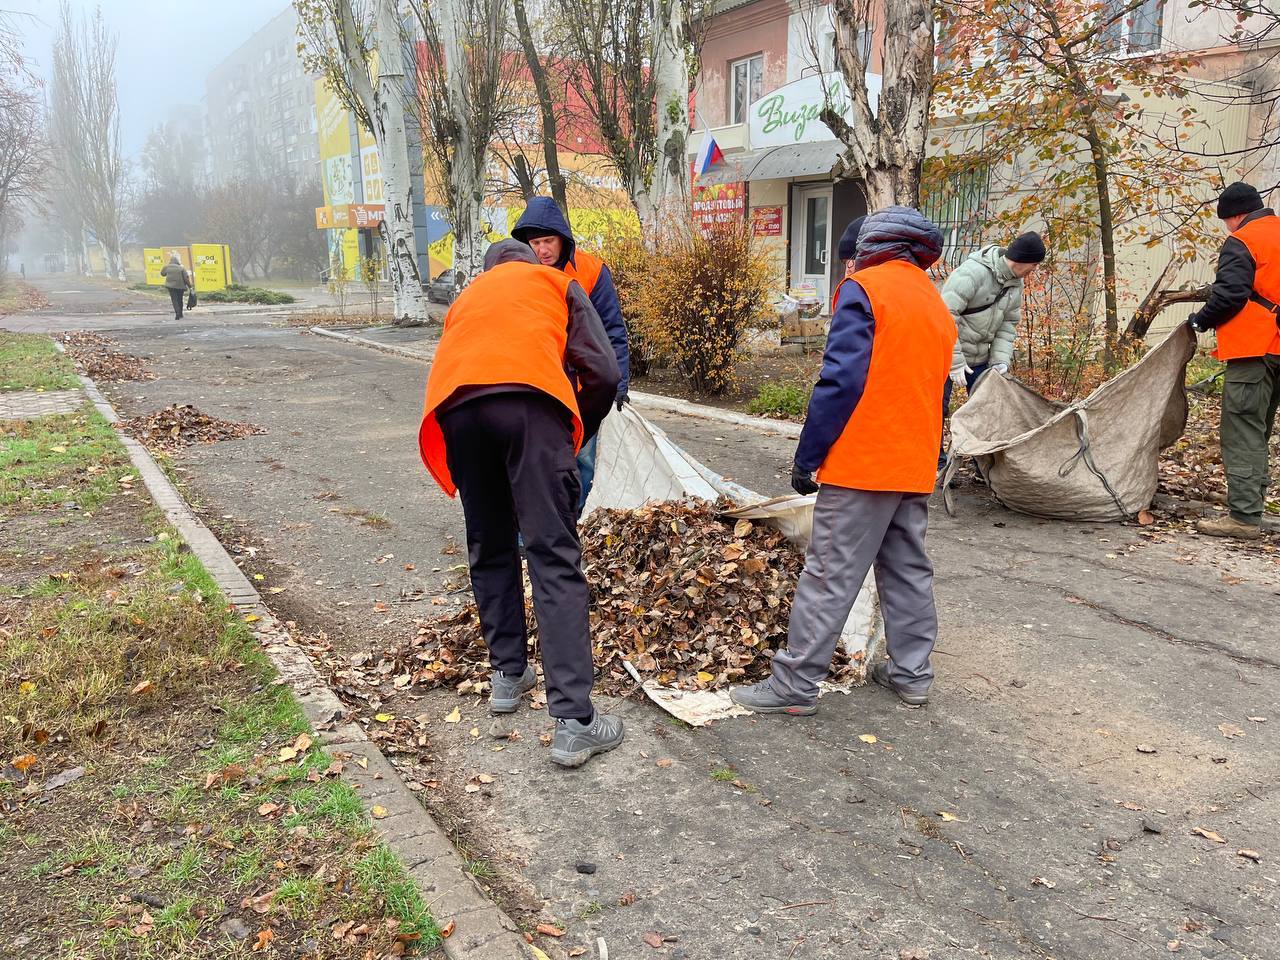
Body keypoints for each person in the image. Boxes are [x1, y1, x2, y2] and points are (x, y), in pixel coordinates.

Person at [730, 207, 957, 715]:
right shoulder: (932, 300)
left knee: (830, 571)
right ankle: (911, 674)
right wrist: (934, 453)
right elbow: (939, 390)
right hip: (913, 464)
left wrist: (808, 455)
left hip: (864, 463)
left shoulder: (866, 290)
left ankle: (794, 684)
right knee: (906, 569)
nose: (848, 267)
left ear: (870, 249)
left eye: (851, 257)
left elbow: (840, 381)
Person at [417, 239, 623, 767]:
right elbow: (602, 370)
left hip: (459, 412)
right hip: (530, 407)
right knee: (551, 554)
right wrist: (579, 425)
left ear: (489, 271)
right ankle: (575, 721)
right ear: (531, 265)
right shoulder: (556, 283)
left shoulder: (467, 296)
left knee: (489, 543)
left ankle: (507, 675)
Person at [512, 197, 630, 515]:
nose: (543, 250)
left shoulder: (591, 272)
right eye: (535, 242)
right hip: (538, 388)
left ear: (563, 239)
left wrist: (618, 383)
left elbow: (612, 331)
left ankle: (574, 525)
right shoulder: (520, 275)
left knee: (582, 461)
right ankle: (532, 531)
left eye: (548, 240)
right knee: (535, 462)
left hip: (583, 391)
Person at [1188, 182, 1280, 540]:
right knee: (1259, 431)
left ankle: (1243, 518)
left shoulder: (1243, 240)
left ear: (1235, 215)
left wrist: (1201, 320)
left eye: (1227, 220)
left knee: (1242, 432)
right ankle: (1251, 501)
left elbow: (1230, 294)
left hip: (1253, 349)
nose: (1228, 227)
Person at [938, 231, 1045, 469]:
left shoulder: (1015, 284)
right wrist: (954, 361)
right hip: (946, 353)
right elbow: (944, 316)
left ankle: (982, 465)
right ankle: (936, 464)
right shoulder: (971, 273)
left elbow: (1008, 324)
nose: (1034, 270)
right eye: (1034, 264)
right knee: (937, 410)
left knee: (984, 408)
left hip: (979, 356)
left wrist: (1000, 360)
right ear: (1021, 260)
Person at [160, 252, 191, 320]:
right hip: (180, 287)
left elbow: (162, 274)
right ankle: (180, 313)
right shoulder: (181, 268)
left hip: (171, 286)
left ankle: (177, 312)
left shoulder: (167, 267)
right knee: (180, 300)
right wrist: (190, 286)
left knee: (174, 300)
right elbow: (186, 278)